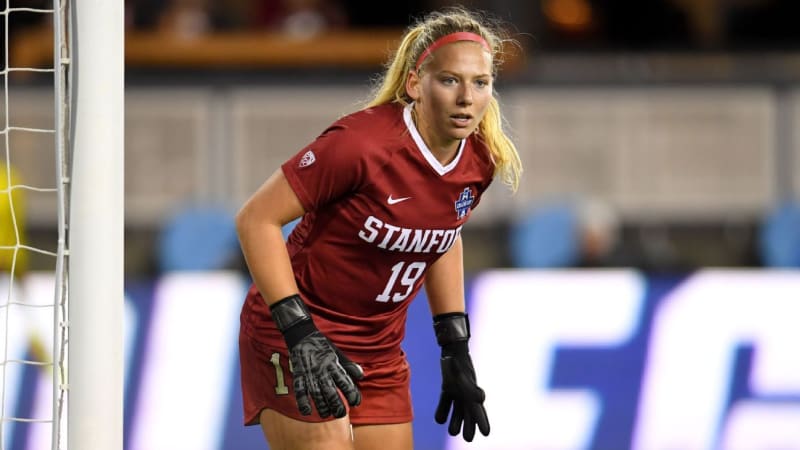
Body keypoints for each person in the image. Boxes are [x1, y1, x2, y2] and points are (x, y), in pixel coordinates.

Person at [235, 6, 522, 449]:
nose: (467, 97)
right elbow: (256, 218)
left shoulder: (479, 157)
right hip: (300, 334)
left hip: (380, 350)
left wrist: (455, 345)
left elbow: (443, 234)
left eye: (480, 82)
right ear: (415, 84)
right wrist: (299, 332)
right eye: (449, 80)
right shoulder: (361, 146)